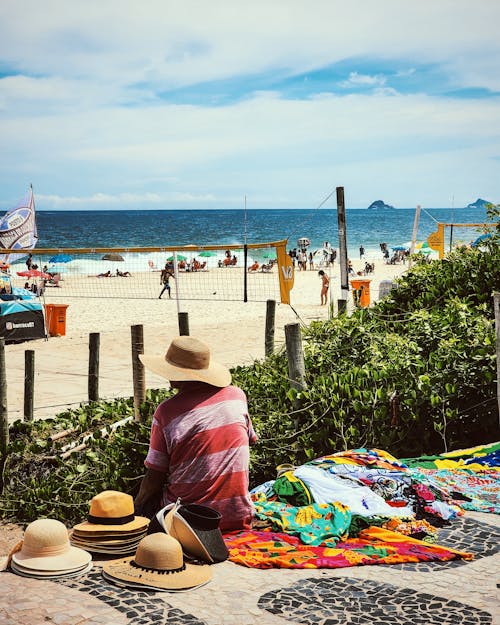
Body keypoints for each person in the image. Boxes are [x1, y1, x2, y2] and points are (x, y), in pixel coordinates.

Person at [134, 336, 257, 531]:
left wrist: (136, 507)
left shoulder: (166, 412)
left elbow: (154, 478)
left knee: (147, 504)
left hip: (188, 522)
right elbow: (248, 441)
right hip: (239, 515)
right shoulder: (237, 396)